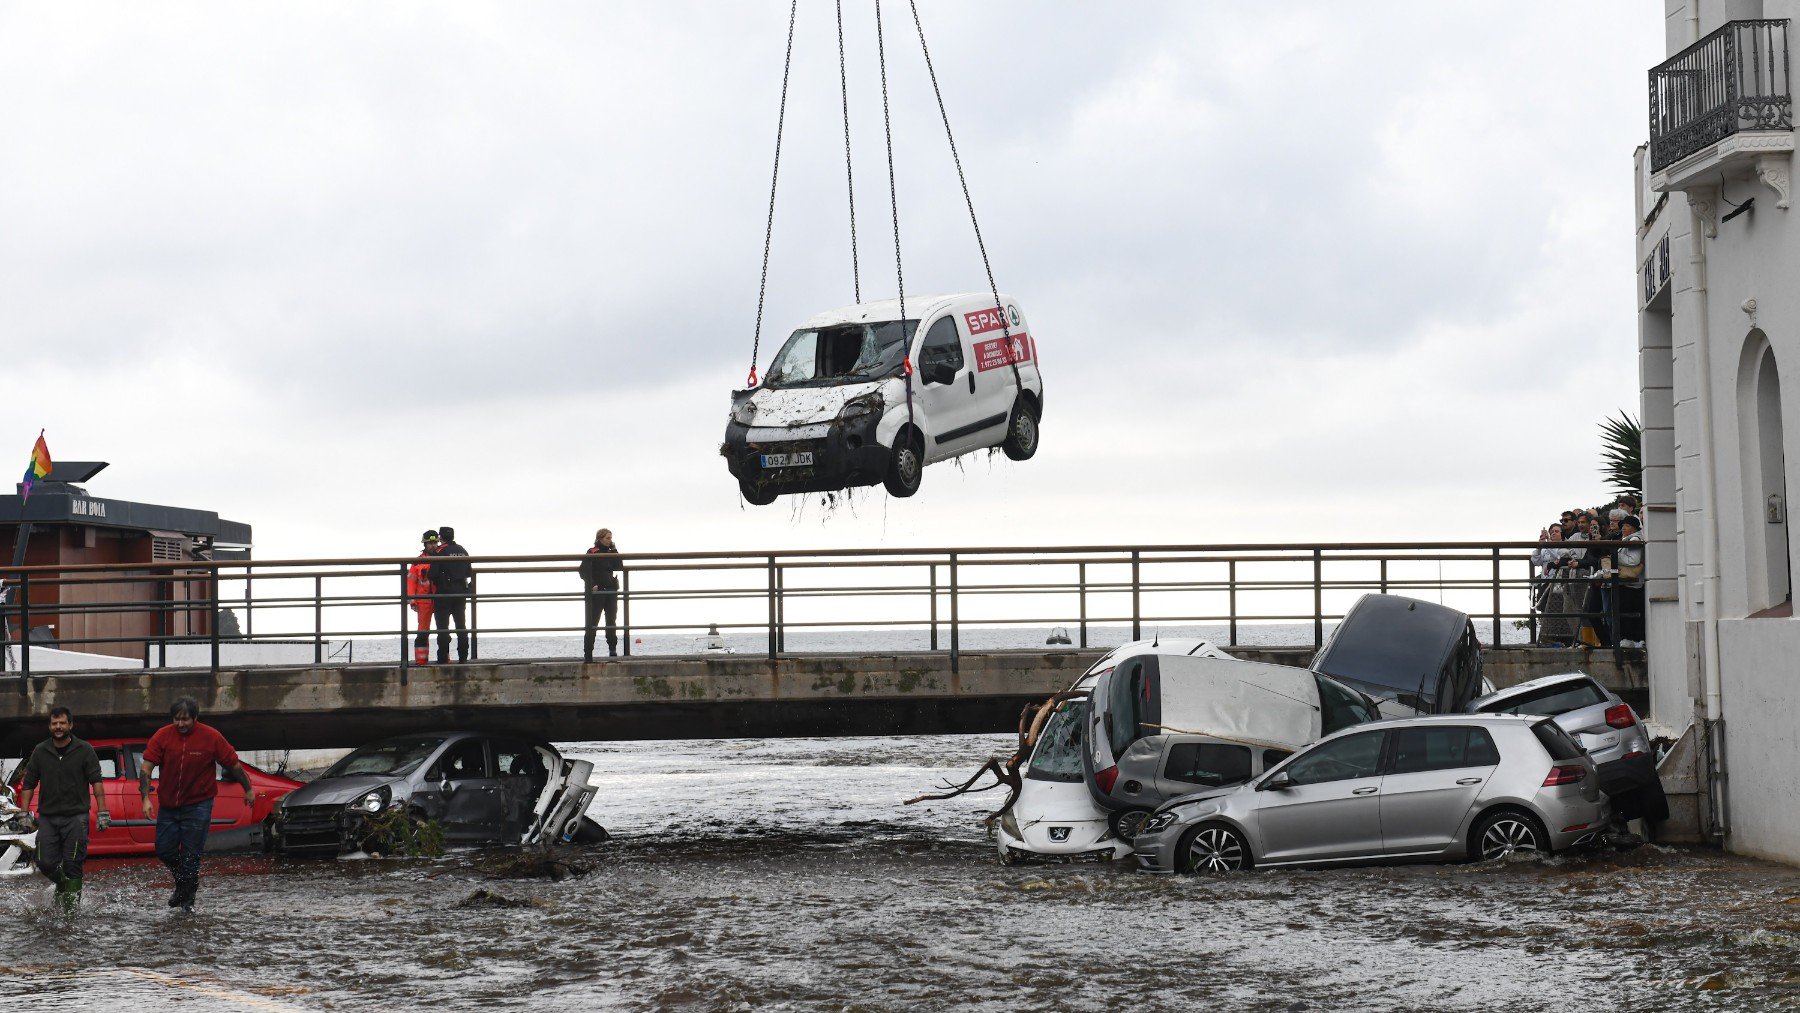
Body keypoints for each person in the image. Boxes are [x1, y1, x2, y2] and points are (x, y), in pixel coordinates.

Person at [140, 696, 252, 912]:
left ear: (195, 718)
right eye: (177, 719)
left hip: (199, 804)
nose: (181, 724)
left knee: (191, 855)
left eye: (185, 720)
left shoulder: (211, 737)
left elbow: (234, 765)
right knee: (164, 850)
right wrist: (145, 798)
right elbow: (146, 769)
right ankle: (184, 884)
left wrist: (247, 789)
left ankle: (187, 904)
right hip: (169, 804)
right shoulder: (162, 736)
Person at [17, 706, 106, 914]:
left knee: (73, 864)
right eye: (54, 723)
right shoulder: (40, 751)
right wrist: (23, 813)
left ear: (70, 725)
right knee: (44, 862)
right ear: (50, 726)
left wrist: (103, 811)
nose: (58, 727)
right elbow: (29, 784)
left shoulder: (85, 750)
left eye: (62, 723)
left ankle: (70, 914)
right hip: (48, 817)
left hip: (76, 818)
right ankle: (63, 885)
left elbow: (97, 782)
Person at [429, 525, 472, 663]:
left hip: (444, 593)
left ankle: (442, 658)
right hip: (460, 593)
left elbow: (432, 574)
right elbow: (469, 572)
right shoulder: (462, 550)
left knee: (443, 627)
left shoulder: (440, 551)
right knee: (461, 626)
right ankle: (463, 657)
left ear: (440, 537)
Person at [578, 528, 622, 663]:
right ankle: (588, 652)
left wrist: (614, 550)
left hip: (610, 590)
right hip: (597, 591)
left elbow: (619, 566)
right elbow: (583, 570)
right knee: (593, 622)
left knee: (611, 621)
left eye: (611, 538)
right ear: (600, 538)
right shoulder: (592, 552)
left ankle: (612, 649)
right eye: (608, 538)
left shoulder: (610, 552)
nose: (610, 540)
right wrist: (592, 585)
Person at [1615, 515, 1647, 647]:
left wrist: (1614, 556)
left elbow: (1633, 560)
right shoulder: (1627, 539)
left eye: (1626, 526)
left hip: (1633, 582)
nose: (1623, 528)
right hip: (1629, 583)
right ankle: (1631, 639)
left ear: (1634, 528)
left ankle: (1633, 639)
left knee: (1630, 611)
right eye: (1623, 526)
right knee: (1627, 611)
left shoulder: (1634, 539)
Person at [408, 530, 439, 665]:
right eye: (430, 543)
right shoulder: (417, 562)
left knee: (443, 630)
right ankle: (421, 660)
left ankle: (444, 659)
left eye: (435, 542)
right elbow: (411, 582)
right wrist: (412, 600)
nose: (433, 545)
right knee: (423, 631)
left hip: (439, 599)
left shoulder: (442, 559)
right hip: (423, 600)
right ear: (425, 544)